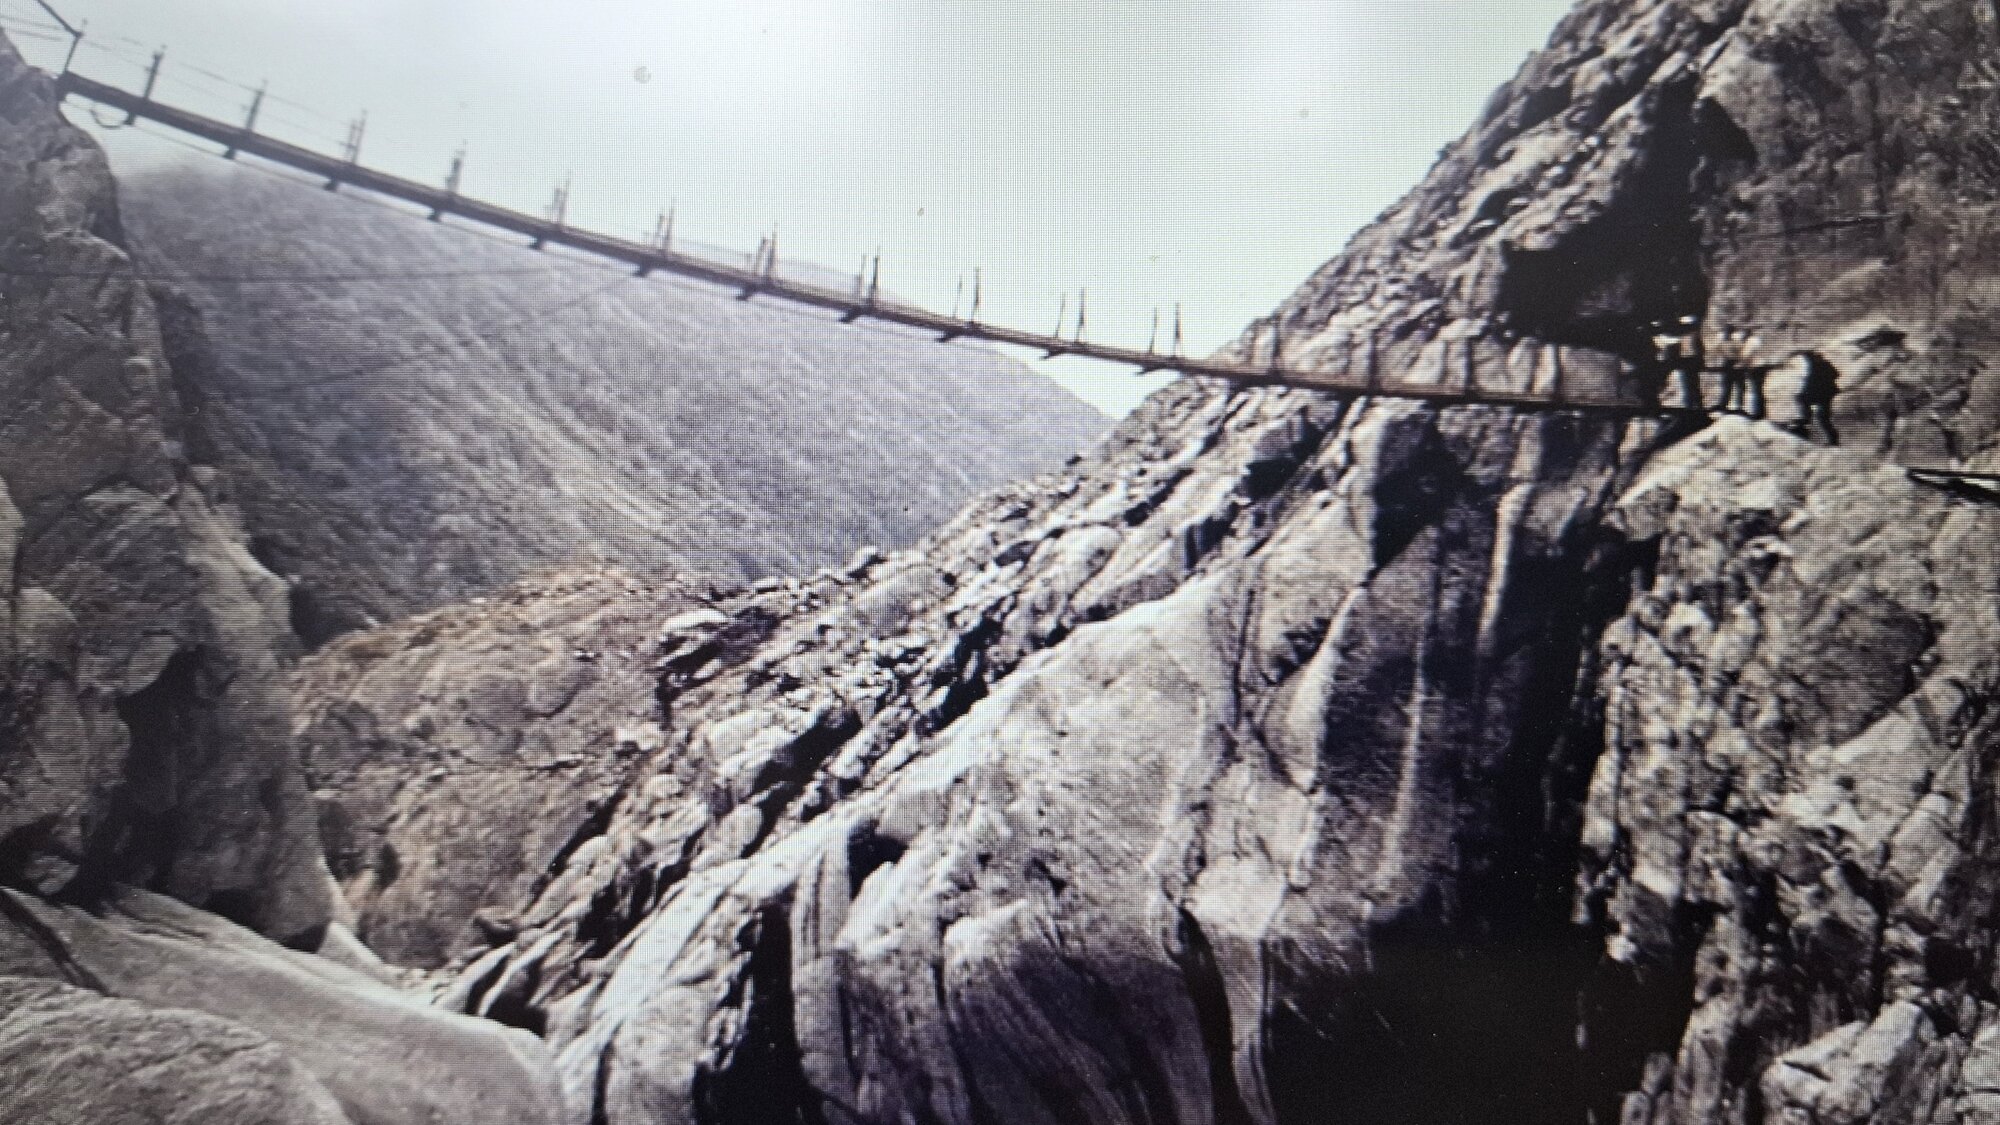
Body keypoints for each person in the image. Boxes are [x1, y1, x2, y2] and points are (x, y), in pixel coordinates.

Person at [1789, 349, 1841, 445]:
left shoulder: (1815, 366)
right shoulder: (1823, 364)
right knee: (1823, 418)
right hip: (1826, 394)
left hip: (1820, 394)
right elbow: (1836, 374)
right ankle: (1833, 440)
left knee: (1803, 401)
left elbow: (1811, 383)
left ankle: (1805, 421)